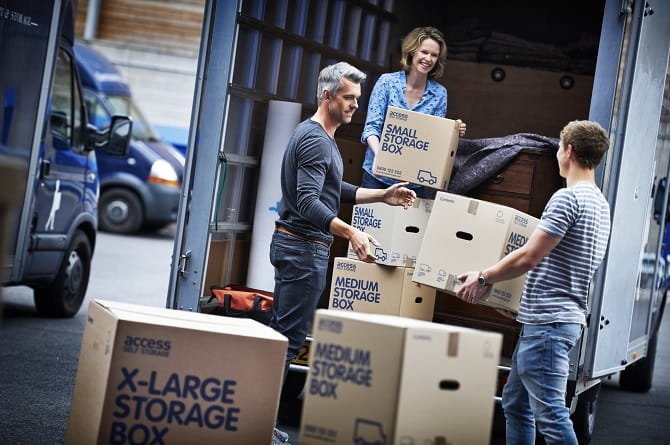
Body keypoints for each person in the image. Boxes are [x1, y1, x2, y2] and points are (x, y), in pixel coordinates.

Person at [269, 61, 417, 445]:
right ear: (327, 95)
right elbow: (306, 201)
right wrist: (350, 232)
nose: (355, 105)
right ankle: (262, 424)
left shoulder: (321, 136)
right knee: (287, 340)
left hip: (302, 248)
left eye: (357, 98)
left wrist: (383, 194)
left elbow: (339, 191)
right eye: (349, 97)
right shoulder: (317, 139)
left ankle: (261, 420)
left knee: (287, 336)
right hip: (302, 249)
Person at [455, 120, 611, 445]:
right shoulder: (600, 203)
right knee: (516, 404)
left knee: (552, 417)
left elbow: (530, 256)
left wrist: (484, 277)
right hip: (552, 320)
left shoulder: (568, 199)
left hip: (548, 326)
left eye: (558, 148)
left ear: (568, 151)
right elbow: (562, 264)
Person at [360, 26, 467, 199]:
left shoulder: (440, 94)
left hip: (415, 183)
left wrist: (454, 132)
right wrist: (381, 158)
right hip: (377, 178)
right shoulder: (387, 83)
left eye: (434, 55)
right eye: (424, 52)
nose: (428, 59)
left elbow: (433, 141)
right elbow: (371, 128)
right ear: (412, 52)